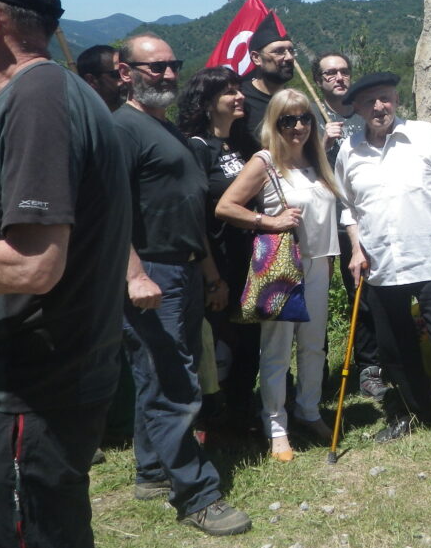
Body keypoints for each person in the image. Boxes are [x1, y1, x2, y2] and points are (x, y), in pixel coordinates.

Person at [0, 0, 143, 548]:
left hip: (35, 386)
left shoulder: (39, 99)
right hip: (52, 375)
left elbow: (33, 264)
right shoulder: (54, 93)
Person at [115, 33, 251, 536]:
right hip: (152, 271)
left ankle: (151, 472)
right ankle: (197, 494)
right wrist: (134, 275)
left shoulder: (164, 128)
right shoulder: (122, 130)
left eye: (173, 66)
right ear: (126, 72)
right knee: (176, 382)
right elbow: (111, 213)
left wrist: (209, 271)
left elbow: (187, 207)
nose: (168, 75)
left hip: (185, 268)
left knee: (156, 375)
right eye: (155, 68)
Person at [335, 71, 431, 463]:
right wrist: (354, 248)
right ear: (357, 109)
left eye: (384, 98)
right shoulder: (349, 150)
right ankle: (410, 412)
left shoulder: (424, 135)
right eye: (369, 102)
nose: (378, 107)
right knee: (393, 350)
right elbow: (348, 208)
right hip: (383, 266)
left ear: (396, 99)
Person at [217, 89, 341, 461]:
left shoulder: (316, 160)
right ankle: (276, 425)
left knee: (315, 345)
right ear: (275, 122)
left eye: (304, 118)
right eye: (288, 120)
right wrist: (268, 221)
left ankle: (309, 409)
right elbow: (225, 206)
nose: (298, 126)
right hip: (283, 263)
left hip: (319, 263)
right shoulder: (265, 161)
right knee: (276, 349)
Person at [178, 66, 261, 434]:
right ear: (209, 102)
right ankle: (212, 419)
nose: (239, 96)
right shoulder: (197, 148)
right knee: (219, 343)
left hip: (249, 259)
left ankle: (242, 413)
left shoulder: (242, 144)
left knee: (249, 340)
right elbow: (196, 219)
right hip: (219, 261)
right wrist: (212, 279)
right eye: (229, 91)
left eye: (239, 88)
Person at [311, 52, 385, 400]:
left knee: (366, 294)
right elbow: (295, 169)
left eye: (343, 72)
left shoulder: (366, 112)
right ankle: (316, 370)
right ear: (318, 81)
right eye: (330, 74)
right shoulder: (308, 118)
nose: (338, 78)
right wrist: (323, 143)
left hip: (366, 218)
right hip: (325, 223)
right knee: (317, 298)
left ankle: (371, 366)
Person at [240, 12, 295, 139]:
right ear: (256, 58)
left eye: (291, 50)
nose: (289, 57)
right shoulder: (240, 101)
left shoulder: (294, 100)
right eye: (279, 51)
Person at [76, 43, 127, 111]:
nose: (125, 79)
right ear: (91, 80)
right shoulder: (81, 118)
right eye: (117, 74)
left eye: (126, 72)